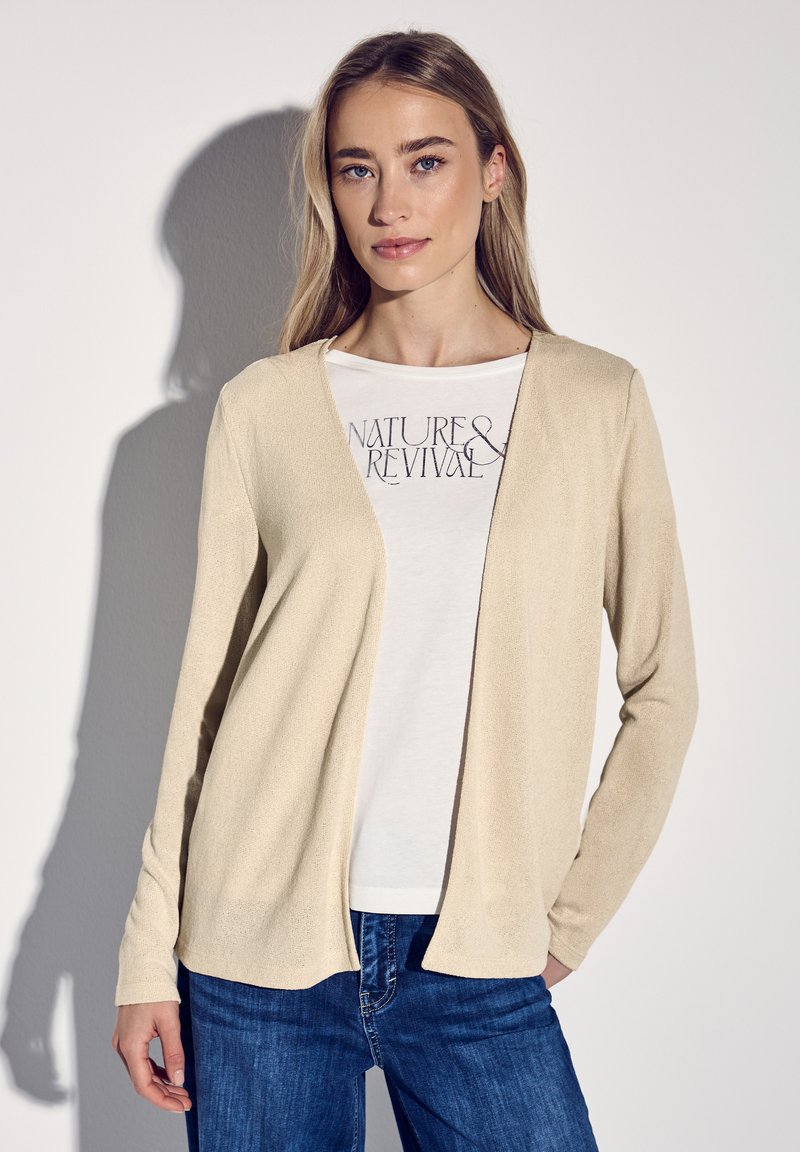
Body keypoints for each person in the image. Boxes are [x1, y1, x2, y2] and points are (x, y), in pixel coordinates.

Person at [111, 27, 699, 1151]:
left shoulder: (596, 403)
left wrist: (567, 920)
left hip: (477, 957)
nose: (389, 203)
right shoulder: (265, 409)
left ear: (493, 170)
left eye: (426, 161)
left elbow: (664, 686)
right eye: (357, 168)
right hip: (256, 951)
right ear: (330, 190)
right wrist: (147, 955)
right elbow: (204, 703)